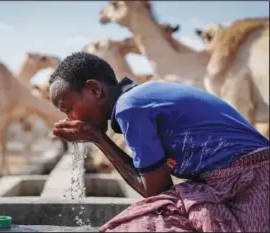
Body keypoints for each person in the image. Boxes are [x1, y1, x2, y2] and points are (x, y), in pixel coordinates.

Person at [49, 52, 270, 232]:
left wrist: (97, 138)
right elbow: (155, 184)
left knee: (135, 227)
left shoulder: (130, 107)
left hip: (250, 184)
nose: (70, 119)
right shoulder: (140, 98)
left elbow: (157, 193)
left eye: (69, 109)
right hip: (240, 180)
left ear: (94, 89)